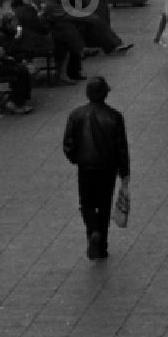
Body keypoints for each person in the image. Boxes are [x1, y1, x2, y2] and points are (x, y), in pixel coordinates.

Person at [62, 75, 130, 261]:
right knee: (104, 204)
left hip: (86, 167)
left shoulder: (76, 115)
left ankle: (92, 231)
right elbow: (121, 147)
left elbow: (68, 144)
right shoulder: (114, 116)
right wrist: (124, 170)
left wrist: (77, 159)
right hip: (107, 167)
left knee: (87, 202)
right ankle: (102, 244)